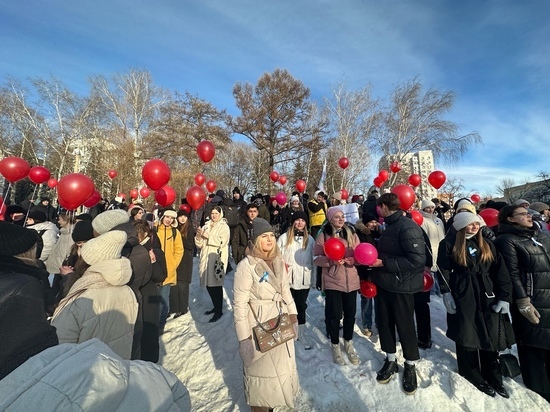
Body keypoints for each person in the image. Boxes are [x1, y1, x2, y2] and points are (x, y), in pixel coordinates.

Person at [0, 258, 190, 410]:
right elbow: (178, 395)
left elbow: (61, 342)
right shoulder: (149, 378)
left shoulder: (80, 299)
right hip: (116, 365)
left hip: (85, 373)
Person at [438, 212, 514, 398]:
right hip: (464, 291)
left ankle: (492, 373)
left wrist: (505, 297)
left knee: (490, 331)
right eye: (470, 224)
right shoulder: (448, 244)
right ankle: (471, 371)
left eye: (477, 224)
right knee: (467, 331)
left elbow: (501, 271)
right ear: (461, 226)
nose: (474, 227)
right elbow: (443, 269)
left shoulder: (488, 244)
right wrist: (447, 293)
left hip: (488, 291)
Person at [233, 217, 299, 411]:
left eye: (271, 235)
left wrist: (294, 316)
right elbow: (239, 305)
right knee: (262, 381)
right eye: (264, 236)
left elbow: (286, 291)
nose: (269, 240)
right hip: (259, 327)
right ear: (255, 240)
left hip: (281, 322)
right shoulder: (246, 266)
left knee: (279, 376)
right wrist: (244, 339)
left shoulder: (279, 261)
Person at [51, 230, 139, 359]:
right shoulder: (128, 291)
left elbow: (58, 349)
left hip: (84, 373)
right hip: (116, 368)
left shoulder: (80, 300)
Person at [370, 193, 426, 395]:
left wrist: (384, 262)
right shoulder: (389, 225)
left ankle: (410, 365)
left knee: (405, 325)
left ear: (384, 206)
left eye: (379, 207)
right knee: (384, 323)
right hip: (384, 283)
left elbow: (417, 260)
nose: (378, 211)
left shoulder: (407, 226)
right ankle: (390, 359)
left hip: (402, 286)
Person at [494, 205, 550, 402]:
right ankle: (539, 387)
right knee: (533, 343)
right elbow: (512, 273)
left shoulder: (539, 234)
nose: (529, 216)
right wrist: (523, 300)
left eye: (529, 213)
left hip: (548, 295)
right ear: (510, 219)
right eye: (523, 214)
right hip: (531, 299)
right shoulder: (506, 240)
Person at [314, 207, 361, 365]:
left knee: (350, 314)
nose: (341, 219)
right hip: (333, 280)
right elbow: (316, 258)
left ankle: (348, 342)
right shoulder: (324, 235)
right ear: (330, 219)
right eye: (337, 217)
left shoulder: (351, 233)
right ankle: (335, 344)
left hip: (351, 281)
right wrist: (332, 261)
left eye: (342, 216)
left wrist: (354, 260)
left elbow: (360, 254)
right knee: (334, 315)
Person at [277, 210, 314, 350]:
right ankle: (288, 332)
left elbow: (313, 260)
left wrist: (315, 279)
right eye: (297, 220)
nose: (300, 223)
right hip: (288, 279)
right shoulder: (284, 238)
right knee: (286, 306)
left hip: (304, 279)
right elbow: (276, 257)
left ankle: (300, 333)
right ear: (293, 222)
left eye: (303, 220)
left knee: (301, 306)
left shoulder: (310, 240)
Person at [133, 220, 167, 362]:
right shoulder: (130, 251)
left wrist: (152, 262)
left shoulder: (155, 250)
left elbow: (161, 276)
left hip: (148, 296)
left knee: (148, 332)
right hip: (132, 296)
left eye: (138, 234)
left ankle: (149, 364)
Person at [195, 206, 230, 322]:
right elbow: (199, 245)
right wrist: (199, 236)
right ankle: (215, 307)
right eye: (212, 213)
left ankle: (219, 310)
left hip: (216, 259)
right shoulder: (206, 225)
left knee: (216, 285)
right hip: (205, 258)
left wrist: (207, 236)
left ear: (220, 214)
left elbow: (222, 242)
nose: (214, 215)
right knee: (209, 285)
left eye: (216, 213)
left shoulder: (224, 227)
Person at [155, 208, 184, 334]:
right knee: (152, 300)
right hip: (154, 271)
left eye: (172, 218)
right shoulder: (154, 229)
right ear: (162, 216)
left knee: (163, 300)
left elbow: (179, 250)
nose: (169, 220)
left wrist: (173, 264)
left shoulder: (175, 232)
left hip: (168, 271)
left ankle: (160, 326)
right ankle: (151, 323)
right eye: (167, 217)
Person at [354, 212, 381, 337]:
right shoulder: (359, 234)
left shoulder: (379, 234)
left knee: (379, 300)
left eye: (375, 222)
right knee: (367, 299)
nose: (374, 224)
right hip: (364, 271)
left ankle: (379, 323)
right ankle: (367, 324)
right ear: (365, 223)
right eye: (371, 222)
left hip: (378, 270)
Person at [171, 208, 196, 317]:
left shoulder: (190, 229)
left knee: (183, 284)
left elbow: (191, 245)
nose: (182, 218)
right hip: (175, 258)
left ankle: (183, 308)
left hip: (185, 259)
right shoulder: (174, 227)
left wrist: (180, 238)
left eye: (184, 217)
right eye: (180, 216)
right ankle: (174, 307)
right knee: (174, 284)